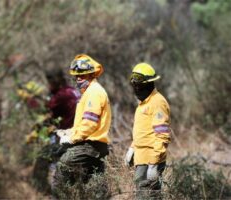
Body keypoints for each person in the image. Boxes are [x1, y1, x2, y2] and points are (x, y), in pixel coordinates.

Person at [54, 54, 112, 196]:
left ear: (91, 74)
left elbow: (90, 124)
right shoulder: (89, 92)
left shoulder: (94, 92)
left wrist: (72, 138)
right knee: (94, 187)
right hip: (95, 145)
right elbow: (84, 123)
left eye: (83, 75)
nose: (79, 78)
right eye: (76, 75)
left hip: (90, 145)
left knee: (63, 166)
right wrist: (69, 132)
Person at [124, 63, 171, 199]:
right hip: (141, 157)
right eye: (134, 86)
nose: (136, 89)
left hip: (150, 159)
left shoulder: (157, 102)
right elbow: (144, 131)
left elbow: (162, 135)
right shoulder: (144, 103)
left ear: (149, 84)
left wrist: (154, 163)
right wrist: (132, 148)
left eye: (139, 86)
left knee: (147, 196)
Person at [31, 68, 80, 193]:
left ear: (55, 81)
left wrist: (31, 100)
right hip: (78, 134)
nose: (49, 85)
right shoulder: (72, 90)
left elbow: (45, 110)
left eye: (49, 82)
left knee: (44, 158)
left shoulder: (61, 95)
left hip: (67, 136)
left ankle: (45, 192)